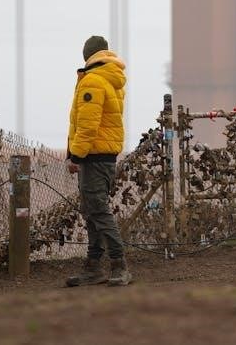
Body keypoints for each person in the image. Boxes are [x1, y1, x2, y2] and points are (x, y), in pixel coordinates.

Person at [65, 35, 132, 287]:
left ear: (87, 55)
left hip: (93, 157)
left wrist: (76, 155)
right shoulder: (110, 79)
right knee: (93, 212)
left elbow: (87, 125)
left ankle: (119, 265)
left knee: (99, 212)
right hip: (103, 156)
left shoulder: (92, 80)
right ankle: (93, 267)